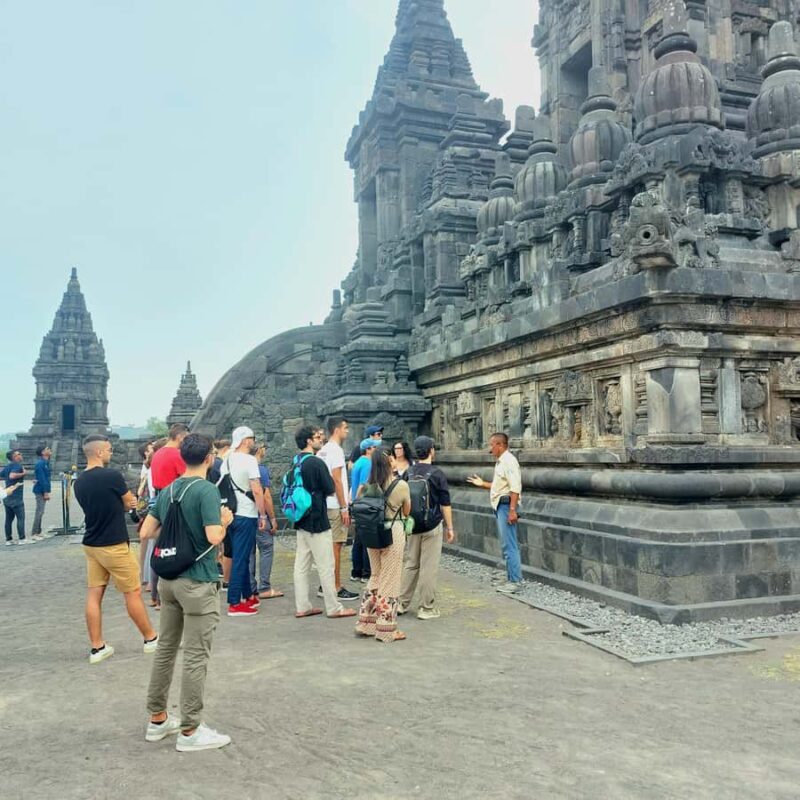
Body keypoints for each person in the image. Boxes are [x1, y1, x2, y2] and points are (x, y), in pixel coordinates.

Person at [140, 433, 233, 753]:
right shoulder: (207, 490)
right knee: (196, 655)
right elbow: (213, 536)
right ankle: (190, 729)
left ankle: (157, 719)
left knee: (166, 648)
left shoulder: (169, 490)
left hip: (168, 580)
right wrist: (224, 522)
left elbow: (145, 531)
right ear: (209, 458)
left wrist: (175, 532)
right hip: (197, 580)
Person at [73, 434, 158, 664]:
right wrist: (126, 503)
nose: (111, 453)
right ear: (99, 452)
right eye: (109, 449)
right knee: (132, 592)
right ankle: (150, 638)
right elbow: (130, 501)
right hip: (114, 543)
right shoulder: (111, 476)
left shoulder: (78, 482)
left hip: (91, 543)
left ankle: (97, 646)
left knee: (94, 594)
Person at [291, 425, 356, 620]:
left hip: (301, 518)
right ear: (309, 441)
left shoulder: (296, 461)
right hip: (318, 519)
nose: (321, 439)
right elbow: (329, 488)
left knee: (301, 565)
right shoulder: (316, 463)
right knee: (326, 564)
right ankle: (334, 607)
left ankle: (302, 605)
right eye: (317, 437)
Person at [354, 447, 411, 642]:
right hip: (392, 532)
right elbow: (406, 510)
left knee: (376, 575)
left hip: (371, 533)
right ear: (389, 462)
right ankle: (386, 628)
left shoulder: (366, 487)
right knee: (390, 579)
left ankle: (366, 622)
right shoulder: (401, 485)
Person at [398, 436, 455, 620]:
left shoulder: (409, 472)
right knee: (428, 567)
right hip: (431, 525)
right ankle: (426, 607)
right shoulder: (437, 474)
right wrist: (450, 527)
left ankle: (401, 603)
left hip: (412, 525)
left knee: (411, 564)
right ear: (431, 450)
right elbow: (445, 504)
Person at [220, 426, 268, 617]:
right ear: (246, 440)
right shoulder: (249, 460)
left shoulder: (227, 459)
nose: (253, 441)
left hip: (231, 513)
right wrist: (262, 514)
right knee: (241, 557)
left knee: (242, 553)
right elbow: (257, 489)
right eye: (252, 438)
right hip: (246, 513)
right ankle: (234, 601)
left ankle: (248, 595)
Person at [467, 432, 523, 594]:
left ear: (500, 445)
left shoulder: (509, 461)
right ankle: (510, 576)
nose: (490, 448)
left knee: (510, 545)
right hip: (501, 505)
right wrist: (482, 483)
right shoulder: (502, 462)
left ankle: (515, 581)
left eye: (492, 445)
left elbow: (515, 487)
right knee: (506, 544)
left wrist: (512, 510)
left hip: (506, 506)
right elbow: (500, 486)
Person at [317, 417, 358, 601]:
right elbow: (337, 480)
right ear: (336, 430)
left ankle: (325, 584)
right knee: (336, 545)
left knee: (328, 546)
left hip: (324, 503)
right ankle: (334, 585)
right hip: (334, 504)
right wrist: (344, 507)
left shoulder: (322, 450)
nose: (347, 431)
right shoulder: (335, 450)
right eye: (345, 428)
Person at [149, 425, 189, 608]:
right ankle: (169, 593)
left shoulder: (158, 453)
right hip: (173, 500)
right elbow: (186, 477)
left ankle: (155, 595)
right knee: (175, 546)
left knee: (160, 546)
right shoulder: (176, 455)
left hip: (159, 498)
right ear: (180, 437)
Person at [249, 442, 282, 600]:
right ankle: (265, 587)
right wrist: (272, 518)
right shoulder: (260, 470)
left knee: (249, 552)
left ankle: (250, 587)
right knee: (266, 549)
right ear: (259, 450)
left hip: (245, 516)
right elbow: (266, 497)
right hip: (259, 516)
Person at [349, 438, 377, 582]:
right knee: (367, 540)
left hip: (357, 504)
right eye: (374, 447)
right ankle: (366, 573)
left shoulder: (358, 462)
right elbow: (362, 486)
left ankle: (356, 571)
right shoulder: (367, 463)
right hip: (364, 504)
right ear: (368, 449)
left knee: (359, 539)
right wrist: (361, 502)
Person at [2, 450, 27, 545]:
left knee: (8, 519)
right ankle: (22, 539)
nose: (21, 455)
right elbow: (12, 476)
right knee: (20, 518)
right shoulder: (17, 466)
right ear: (14, 457)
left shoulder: (7, 467)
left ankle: (8, 540)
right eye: (18, 454)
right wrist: (23, 473)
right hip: (16, 497)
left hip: (7, 496)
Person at [31, 445, 52, 541]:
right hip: (40, 490)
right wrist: (45, 492)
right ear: (43, 453)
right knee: (39, 511)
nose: (50, 450)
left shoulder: (45, 463)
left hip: (42, 489)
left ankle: (38, 532)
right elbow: (42, 479)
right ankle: (34, 533)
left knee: (41, 511)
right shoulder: (40, 464)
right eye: (48, 449)